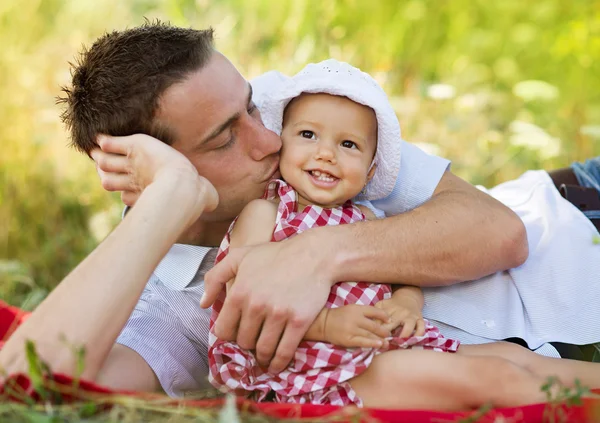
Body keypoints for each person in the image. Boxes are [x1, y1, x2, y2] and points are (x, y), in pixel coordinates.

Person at [0, 23, 597, 402]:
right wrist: (168, 201)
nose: (268, 141)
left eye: (251, 109)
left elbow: (501, 232)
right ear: (150, 172)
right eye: (222, 140)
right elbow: (33, 384)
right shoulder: (181, 306)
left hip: (576, 217)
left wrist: (313, 255)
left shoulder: (314, 120)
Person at [207, 59, 600, 410]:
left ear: (371, 170)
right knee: (499, 378)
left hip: (383, 345)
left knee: (518, 359)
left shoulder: (364, 219)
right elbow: (243, 310)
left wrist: (408, 305)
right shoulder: (267, 214)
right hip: (316, 368)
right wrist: (327, 325)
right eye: (308, 135)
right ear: (281, 143)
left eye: (348, 145)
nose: (326, 153)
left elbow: (400, 278)